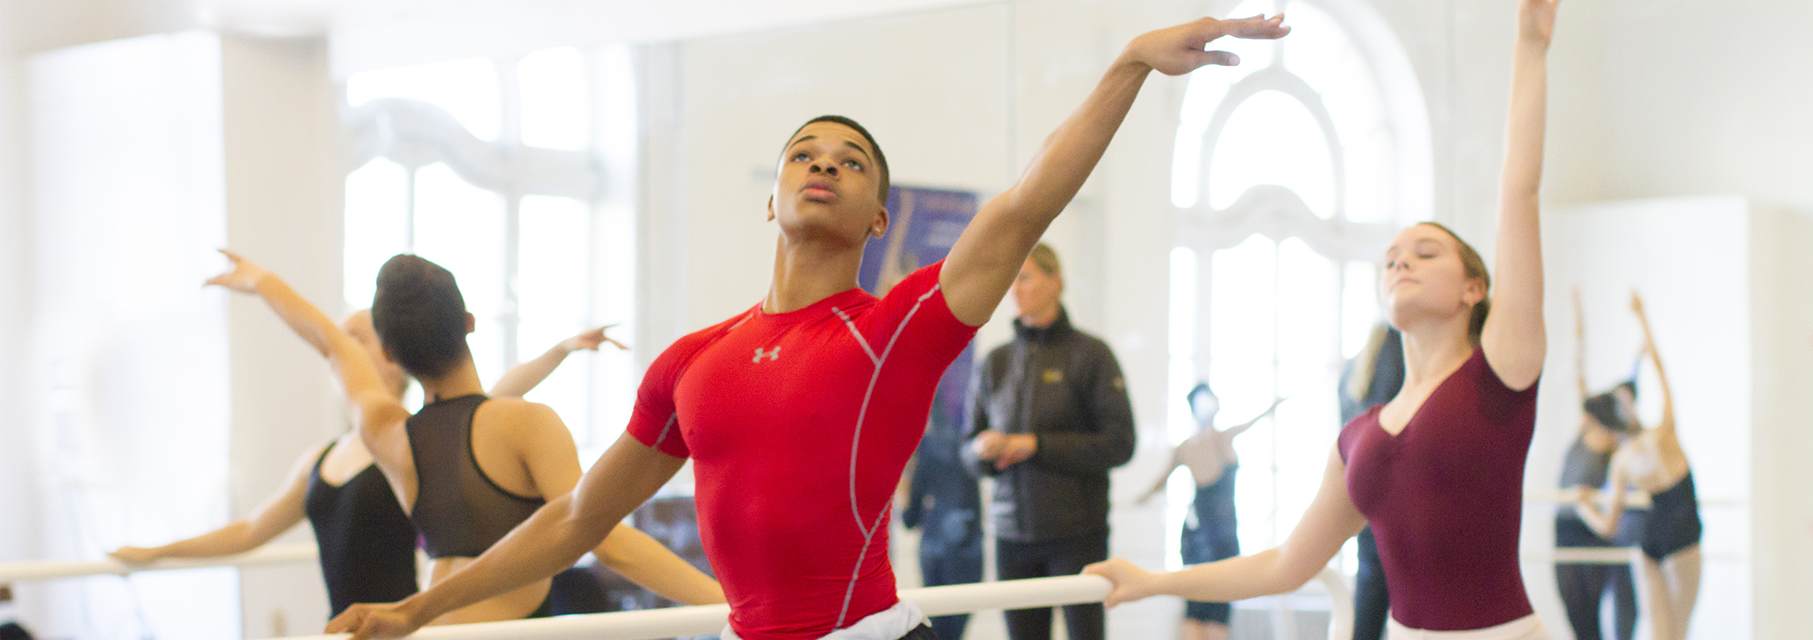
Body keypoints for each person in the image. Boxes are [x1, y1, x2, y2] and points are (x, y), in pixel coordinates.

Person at [324, 14, 1292, 640]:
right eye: (802, 155)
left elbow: (1022, 205)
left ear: (879, 217)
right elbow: (578, 518)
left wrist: (1125, 64)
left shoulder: (895, 329)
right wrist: (421, 607)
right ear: (773, 195)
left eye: (849, 161)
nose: (820, 165)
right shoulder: (691, 361)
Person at [1085, 1, 1558, 638]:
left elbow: (1517, 189)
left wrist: (1530, 45)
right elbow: (1285, 564)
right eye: (1390, 258)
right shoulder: (1358, 438)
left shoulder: (1501, 371)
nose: (1401, 263)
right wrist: (1154, 582)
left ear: (1474, 287)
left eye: (1425, 252)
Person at [204, 252, 724, 626]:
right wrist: (724, 603)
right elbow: (606, 539)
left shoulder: (388, 435)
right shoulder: (526, 423)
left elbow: (335, 344)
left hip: (433, 629)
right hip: (503, 632)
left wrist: (263, 283)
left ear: (387, 353)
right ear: (469, 323)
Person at [108, 313, 623, 617]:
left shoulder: (418, 441)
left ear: (392, 353)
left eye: (358, 338)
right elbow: (249, 530)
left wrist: (560, 350)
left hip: (403, 623)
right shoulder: (322, 458)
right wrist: (158, 552)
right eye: (341, 338)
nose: (341, 348)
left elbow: (500, 394)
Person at [962, 242, 1136, 640]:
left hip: (1077, 536)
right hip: (1011, 537)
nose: (1014, 289)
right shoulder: (996, 362)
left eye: (1023, 277)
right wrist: (981, 451)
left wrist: (1036, 444)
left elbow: (1120, 442)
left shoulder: (1092, 355)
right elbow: (967, 450)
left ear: (1055, 281)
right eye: (1011, 280)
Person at [1573, 292, 1700, 640]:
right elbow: (1662, 371)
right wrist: (1642, 319)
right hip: (1678, 542)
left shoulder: (1623, 461)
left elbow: (1608, 526)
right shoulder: (1663, 434)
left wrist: (1583, 506)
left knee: (1659, 632)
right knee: (1673, 633)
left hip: (1652, 545)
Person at [1136, 384, 1280, 640]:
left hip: (1219, 533)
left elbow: (1256, 420)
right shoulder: (1192, 445)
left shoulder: (1220, 438)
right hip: (1204, 535)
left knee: (1215, 607)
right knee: (1199, 608)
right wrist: (1137, 499)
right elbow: (1160, 481)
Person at [1554, 290, 1639, 640]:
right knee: (1577, 617)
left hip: (1593, 531)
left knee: (1600, 617)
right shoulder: (1584, 427)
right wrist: (1578, 318)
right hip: (1565, 530)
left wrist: (1640, 360)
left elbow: (1632, 413)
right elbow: (1578, 369)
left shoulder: (1616, 444)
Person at [1336, 323, 1404, 640]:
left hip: (1366, 502)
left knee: (1370, 603)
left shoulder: (1353, 374)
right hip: (1391, 505)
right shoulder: (1394, 353)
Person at [901, 386, 983, 640]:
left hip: (936, 552)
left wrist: (904, 480)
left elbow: (909, 518)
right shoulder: (967, 442)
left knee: (938, 629)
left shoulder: (924, 449)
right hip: (969, 550)